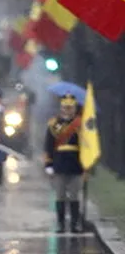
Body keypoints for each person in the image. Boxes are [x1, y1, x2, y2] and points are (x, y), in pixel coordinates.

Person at [44, 93, 85, 232]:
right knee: (60, 196)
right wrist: (48, 164)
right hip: (59, 164)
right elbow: (49, 146)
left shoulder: (81, 124)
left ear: (74, 108)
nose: (68, 110)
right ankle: (61, 224)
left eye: (70, 108)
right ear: (61, 108)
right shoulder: (53, 124)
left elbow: (86, 146)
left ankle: (74, 224)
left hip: (76, 164)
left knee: (74, 196)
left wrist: (87, 165)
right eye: (65, 107)